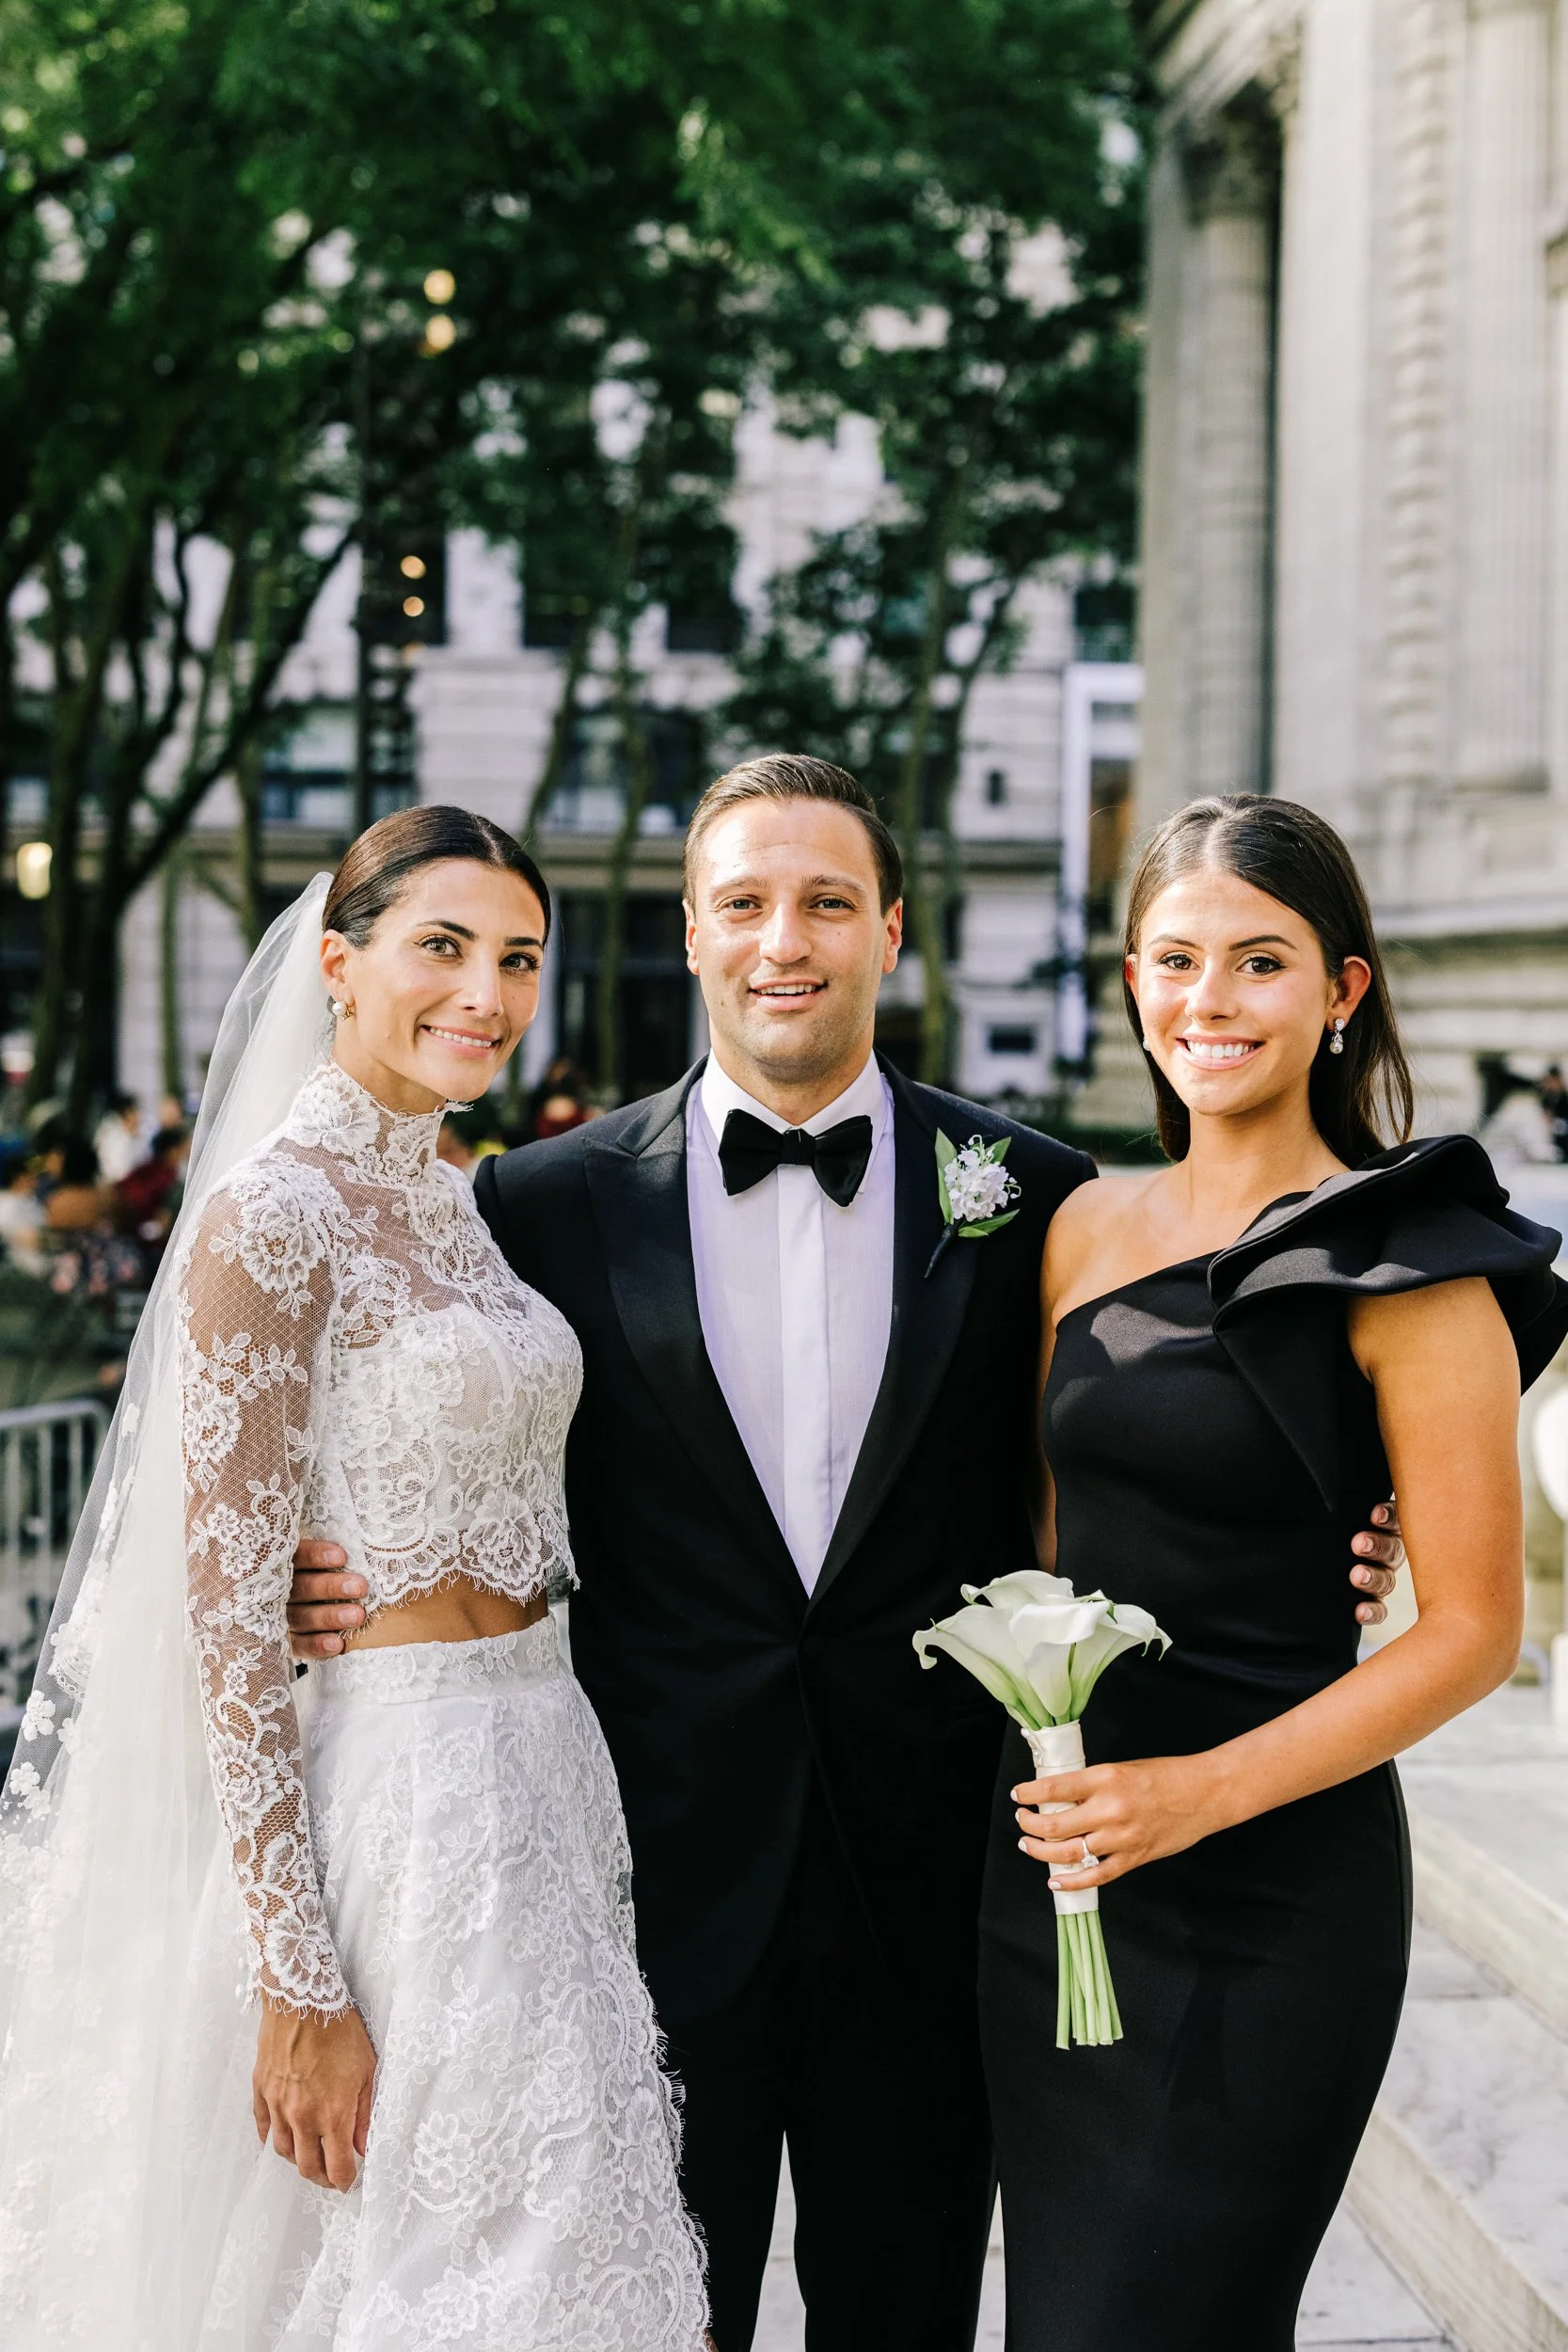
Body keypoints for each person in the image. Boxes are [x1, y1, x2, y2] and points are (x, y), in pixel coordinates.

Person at [288, 758, 1406, 2352]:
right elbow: (413, 1423)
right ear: (690, 933)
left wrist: (1327, 1540)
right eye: (742, 903)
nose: (781, 940)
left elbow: (1129, 1449)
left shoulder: (1038, 1199)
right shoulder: (536, 1206)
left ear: (891, 929)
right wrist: (311, 1573)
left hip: (946, 1901)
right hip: (643, 1907)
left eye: (825, 902)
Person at [0, 807, 708, 2351]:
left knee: (565, 2246)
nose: (487, 993)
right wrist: (294, 1981)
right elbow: (228, 1619)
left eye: (517, 958)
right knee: (433, 2267)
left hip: (546, 1776)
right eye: (441, 947)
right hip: (394, 1806)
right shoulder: (272, 1212)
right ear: (337, 961)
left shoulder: (466, 1202)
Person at [979, 795, 1568, 2351]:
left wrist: (1189, 1795)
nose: (1209, 1002)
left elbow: (1467, 1632)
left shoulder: (1409, 1261)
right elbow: (1046, 1542)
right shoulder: (1081, 1228)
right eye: (1174, 961)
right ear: (1128, 979)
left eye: (1258, 962)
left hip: (1269, 1884)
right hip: (1054, 1874)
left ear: (1340, 991)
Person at [93, 1088, 148, 1184]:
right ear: (126, 1114)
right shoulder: (111, 1136)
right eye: (135, 1112)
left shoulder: (143, 1135)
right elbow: (116, 1169)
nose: (139, 1116)